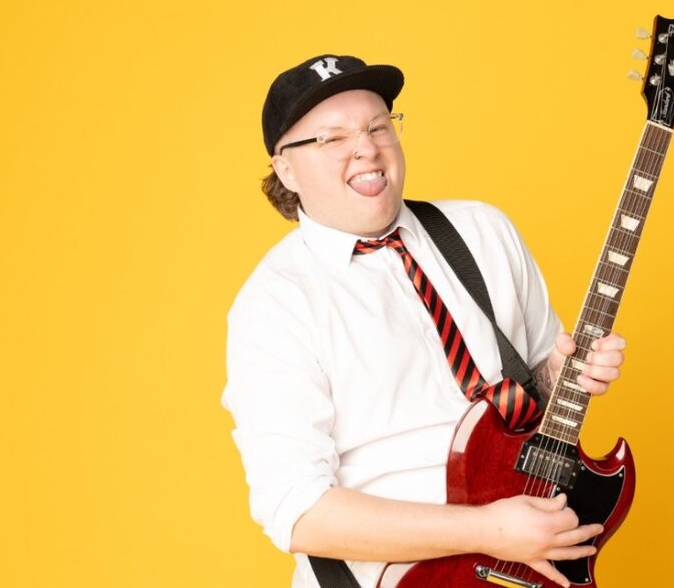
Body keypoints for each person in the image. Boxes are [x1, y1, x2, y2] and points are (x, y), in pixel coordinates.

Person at [222, 54, 626, 588]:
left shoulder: (484, 232)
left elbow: (535, 419)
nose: (366, 147)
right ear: (285, 169)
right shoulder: (276, 304)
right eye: (331, 139)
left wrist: (560, 374)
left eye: (377, 126)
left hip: (529, 570)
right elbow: (298, 510)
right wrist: (487, 531)